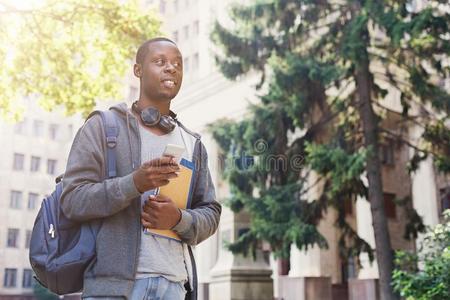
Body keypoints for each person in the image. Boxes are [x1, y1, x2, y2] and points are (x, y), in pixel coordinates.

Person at [60, 37, 221, 300]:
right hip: (112, 290)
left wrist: (178, 220)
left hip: (174, 288)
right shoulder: (103, 128)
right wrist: (133, 184)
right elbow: (72, 200)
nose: (171, 69)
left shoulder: (193, 143)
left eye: (177, 64)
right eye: (160, 62)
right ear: (138, 71)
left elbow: (211, 213)